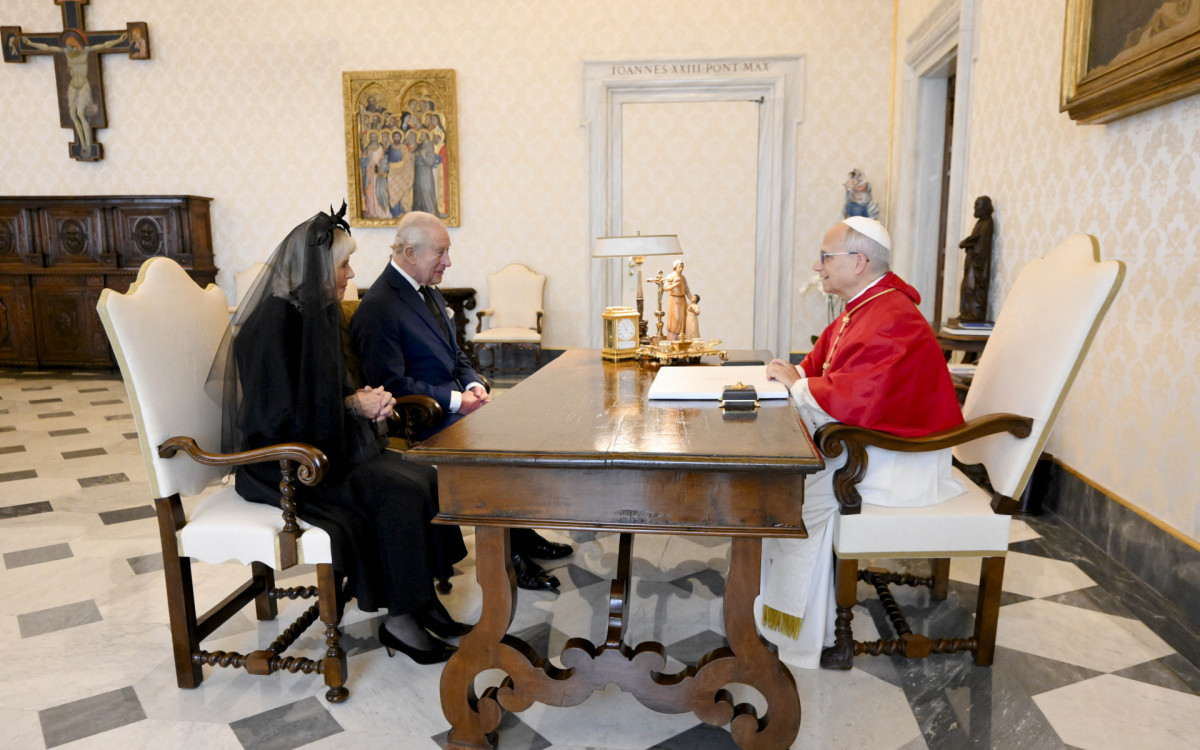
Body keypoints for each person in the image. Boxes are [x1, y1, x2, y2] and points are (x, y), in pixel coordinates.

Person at [209, 204, 468, 665]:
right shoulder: (271, 324)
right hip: (282, 463)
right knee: (397, 493)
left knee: (424, 477)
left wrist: (360, 399)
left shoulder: (314, 311)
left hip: (323, 444)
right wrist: (352, 406)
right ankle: (400, 622)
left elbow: (322, 394)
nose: (351, 275)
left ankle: (422, 600)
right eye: (343, 265)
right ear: (314, 270)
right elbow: (276, 419)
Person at [759, 216, 965, 668]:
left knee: (793, 498)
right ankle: (775, 616)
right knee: (780, 483)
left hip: (899, 463)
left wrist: (799, 385)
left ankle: (795, 634)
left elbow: (860, 398)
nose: (817, 266)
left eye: (825, 257)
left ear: (858, 261)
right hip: (875, 446)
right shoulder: (864, 306)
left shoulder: (891, 317)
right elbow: (823, 368)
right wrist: (795, 376)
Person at [351, 211, 573, 591]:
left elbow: (457, 355)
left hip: (453, 405)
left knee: (522, 430)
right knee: (496, 450)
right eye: (440, 252)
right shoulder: (380, 305)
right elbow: (390, 385)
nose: (448, 262)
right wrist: (457, 401)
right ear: (410, 253)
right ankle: (510, 559)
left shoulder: (428, 290)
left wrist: (474, 384)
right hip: (422, 418)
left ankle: (522, 536)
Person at [24, 31, 128, 155]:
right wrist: (30, 43)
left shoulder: (86, 51)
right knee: (73, 115)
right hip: (73, 87)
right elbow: (48, 48)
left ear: (77, 44)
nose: (70, 48)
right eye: (68, 46)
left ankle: (88, 146)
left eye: (72, 45)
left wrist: (120, 40)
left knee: (81, 114)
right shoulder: (67, 53)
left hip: (84, 86)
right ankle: (83, 145)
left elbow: (104, 45)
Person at [662, 260, 690, 341]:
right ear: (675, 267)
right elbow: (665, 288)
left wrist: (692, 299)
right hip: (674, 299)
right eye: (680, 267)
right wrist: (674, 285)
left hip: (682, 299)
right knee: (676, 319)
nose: (681, 268)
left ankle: (681, 339)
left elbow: (687, 290)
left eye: (682, 267)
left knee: (683, 319)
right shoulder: (670, 276)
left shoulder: (683, 277)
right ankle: (673, 338)